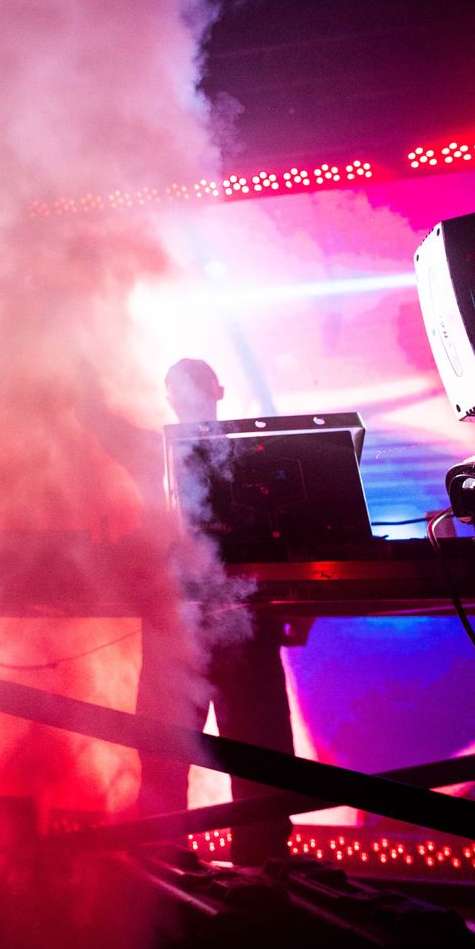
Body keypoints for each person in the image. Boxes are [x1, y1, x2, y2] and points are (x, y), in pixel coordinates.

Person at [86, 358, 300, 865]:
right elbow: (95, 418)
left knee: (260, 763)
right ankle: (167, 874)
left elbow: (292, 531)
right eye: (176, 392)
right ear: (169, 400)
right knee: (165, 757)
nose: (183, 400)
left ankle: (262, 874)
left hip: (240, 626)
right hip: (176, 627)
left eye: (192, 389)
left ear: (218, 391)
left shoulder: (255, 452)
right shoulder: (152, 450)